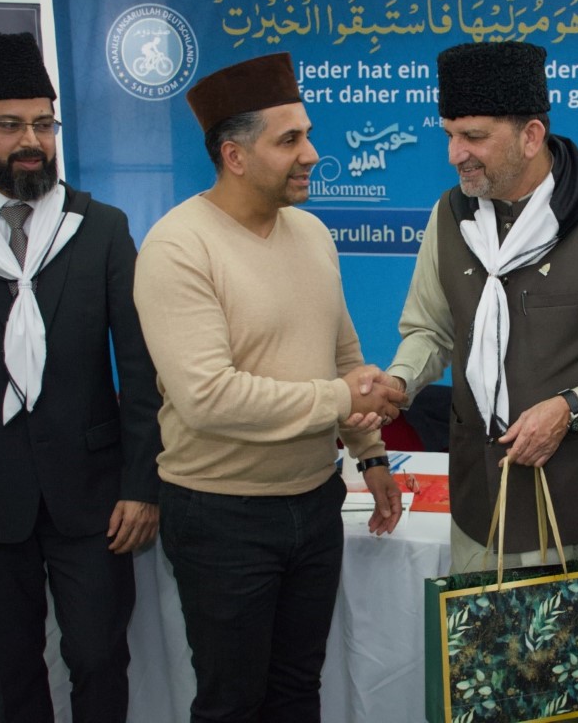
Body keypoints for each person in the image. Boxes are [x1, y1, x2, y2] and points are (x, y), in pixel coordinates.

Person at [387, 40, 578, 721]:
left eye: (474, 136)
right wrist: (399, 382)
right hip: (485, 514)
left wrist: (573, 407)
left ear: (531, 135)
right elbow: (429, 331)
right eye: (449, 135)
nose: (455, 154)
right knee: (494, 696)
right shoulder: (450, 218)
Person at [0, 31, 162, 723]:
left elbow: (140, 369)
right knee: (12, 674)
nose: (31, 142)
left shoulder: (99, 228)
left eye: (44, 124)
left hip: (95, 499)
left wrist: (141, 484)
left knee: (99, 658)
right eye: (10, 126)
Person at [132, 52, 407, 723]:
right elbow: (208, 398)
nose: (311, 154)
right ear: (234, 155)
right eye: (289, 140)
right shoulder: (178, 248)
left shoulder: (311, 233)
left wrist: (370, 456)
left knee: (297, 690)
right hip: (221, 516)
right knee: (232, 701)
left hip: (314, 502)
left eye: (307, 135)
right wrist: (342, 401)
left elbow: (343, 356)